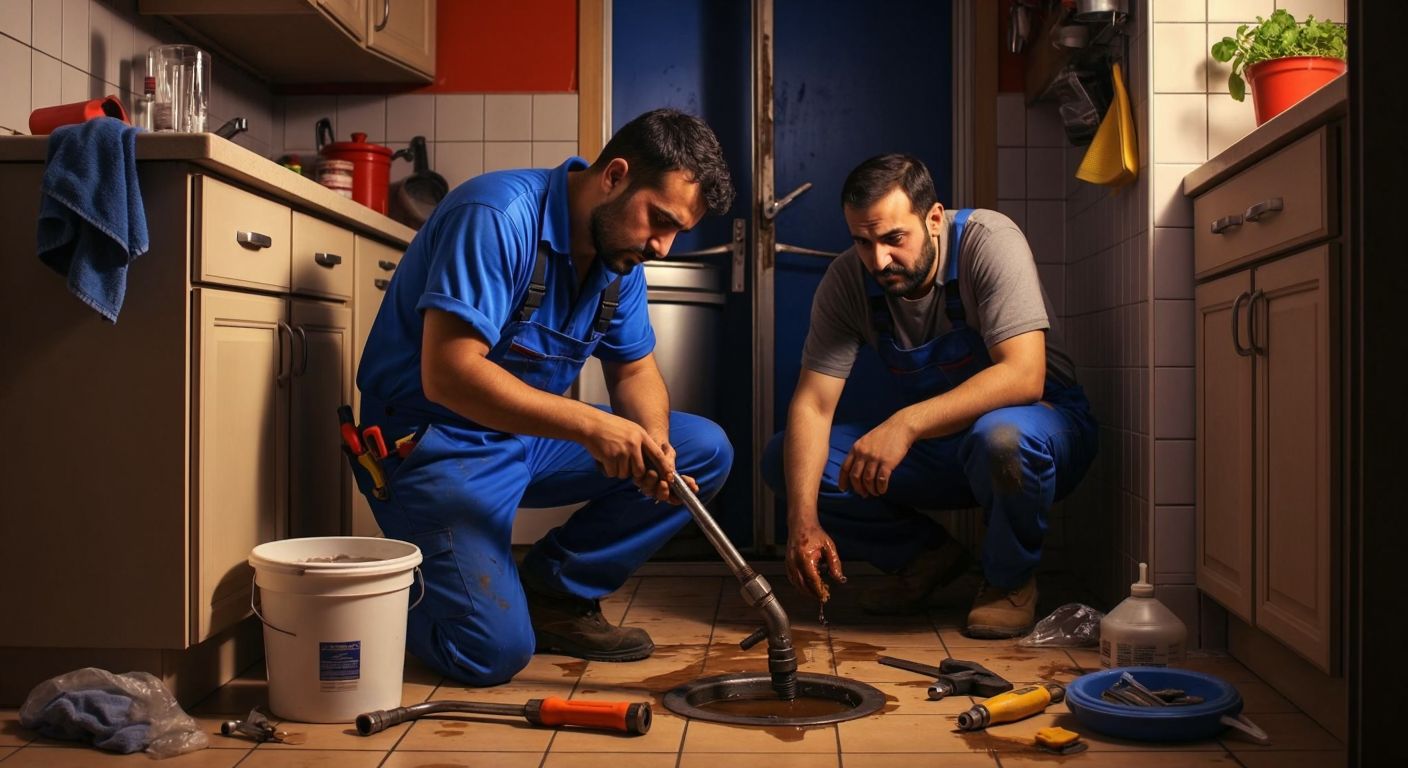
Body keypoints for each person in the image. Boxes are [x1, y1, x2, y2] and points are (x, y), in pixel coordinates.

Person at [354, 108, 736, 685]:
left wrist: (654, 444)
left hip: (526, 440)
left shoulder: (620, 260)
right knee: (492, 655)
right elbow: (449, 374)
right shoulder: (495, 216)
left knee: (702, 449)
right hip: (433, 442)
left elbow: (635, 373)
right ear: (615, 175)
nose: (663, 245)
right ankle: (368, 601)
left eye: (677, 230)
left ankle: (556, 591)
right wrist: (589, 426)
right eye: (659, 219)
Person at [762, 153, 1097, 638]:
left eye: (894, 239)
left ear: (934, 218)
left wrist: (905, 424)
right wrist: (803, 521)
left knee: (1001, 436)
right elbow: (813, 405)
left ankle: (1008, 582)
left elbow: (1025, 375)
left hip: (1043, 429)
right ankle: (927, 559)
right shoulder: (848, 281)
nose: (878, 260)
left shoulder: (988, 241)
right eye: (862, 241)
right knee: (786, 459)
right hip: (946, 448)